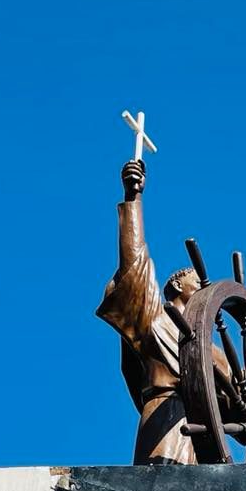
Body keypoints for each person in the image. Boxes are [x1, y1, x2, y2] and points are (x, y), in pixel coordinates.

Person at [97, 158, 233, 464]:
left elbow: (243, 403)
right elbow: (135, 266)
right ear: (176, 286)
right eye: (196, 281)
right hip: (165, 419)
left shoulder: (210, 351)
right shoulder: (156, 319)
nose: (204, 287)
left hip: (207, 445)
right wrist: (134, 198)